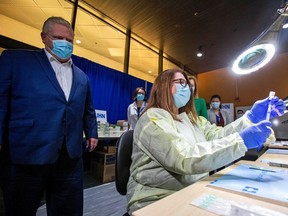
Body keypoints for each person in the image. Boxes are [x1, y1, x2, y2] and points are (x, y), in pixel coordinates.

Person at [126, 68, 285, 214]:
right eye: (181, 82)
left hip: (195, 189)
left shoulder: (192, 119)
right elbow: (183, 158)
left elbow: (220, 135)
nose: (186, 87)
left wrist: (251, 117)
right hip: (156, 199)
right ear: (163, 87)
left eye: (187, 84)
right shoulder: (152, 118)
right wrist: (240, 140)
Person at [0, 16, 98, 216]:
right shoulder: (16, 60)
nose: (65, 43)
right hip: (28, 152)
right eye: (58, 37)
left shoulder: (82, 76)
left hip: (69, 156)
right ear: (44, 37)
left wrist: (92, 132)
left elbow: (87, 109)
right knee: (20, 208)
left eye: (69, 40)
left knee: (68, 210)